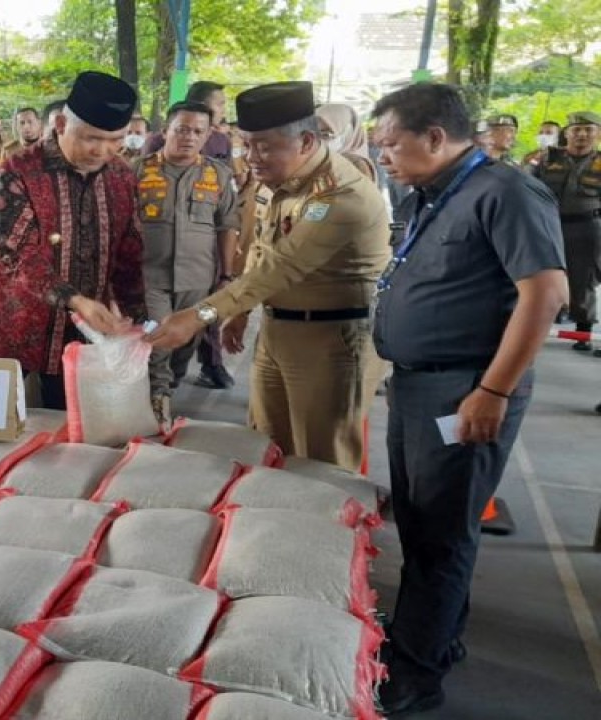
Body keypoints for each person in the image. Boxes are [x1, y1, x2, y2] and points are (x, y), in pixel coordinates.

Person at [368, 82, 567, 717]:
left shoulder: (506, 191)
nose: (384, 159)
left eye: (391, 145)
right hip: (419, 384)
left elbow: (545, 294)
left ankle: (416, 674)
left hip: (466, 390)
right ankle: (432, 639)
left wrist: (492, 390)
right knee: (422, 519)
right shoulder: (433, 192)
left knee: (442, 532)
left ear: (434, 137)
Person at [145, 81, 391, 472]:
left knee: (321, 460)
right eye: (247, 144)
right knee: (266, 446)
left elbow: (283, 266)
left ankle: (323, 532)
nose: (252, 156)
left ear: (307, 141)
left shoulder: (339, 196)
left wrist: (199, 316)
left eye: (264, 146)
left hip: (330, 342)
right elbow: (259, 249)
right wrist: (239, 313)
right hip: (277, 332)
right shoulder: (277, 178)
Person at [0, 71, 147, 409]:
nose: (104, 150)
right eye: (92, 138)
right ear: (62, 124)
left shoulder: (122, 177)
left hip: (83, 339)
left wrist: (136, 320)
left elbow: (129, 254)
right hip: (9, 330)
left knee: (67, 446)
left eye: (115, 140)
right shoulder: (16, 172)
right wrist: (77, 301)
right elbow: (20, 258)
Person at [138, 101, 239, 425]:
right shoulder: (137, 171)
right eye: (182, 129)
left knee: (185, 343)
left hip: (198, 280)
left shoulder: (219, 175)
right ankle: (158, 400)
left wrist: (226, 276)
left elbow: (227, 227)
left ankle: (170, 388)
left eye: (198, 131)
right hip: (149, 278)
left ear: (208, 134)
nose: (189, 137)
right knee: (156, 340)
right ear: (166, 130)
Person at [529, 111, 600, 353]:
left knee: (583, 279)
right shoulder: (547, 159)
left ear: (598, 135)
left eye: (588, 130)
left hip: (586, 228)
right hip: (548, 226)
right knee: (541, 276)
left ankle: (583, 331)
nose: (581, 134)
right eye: (576, 130)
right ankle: (532, 329)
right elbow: (529, 189)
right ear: (566, 134)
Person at [316, 103, 377, 180]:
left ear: (348, 133)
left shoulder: (356, 166)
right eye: (314, 133)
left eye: (326, 135)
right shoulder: (324, 159)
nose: (318, 140)